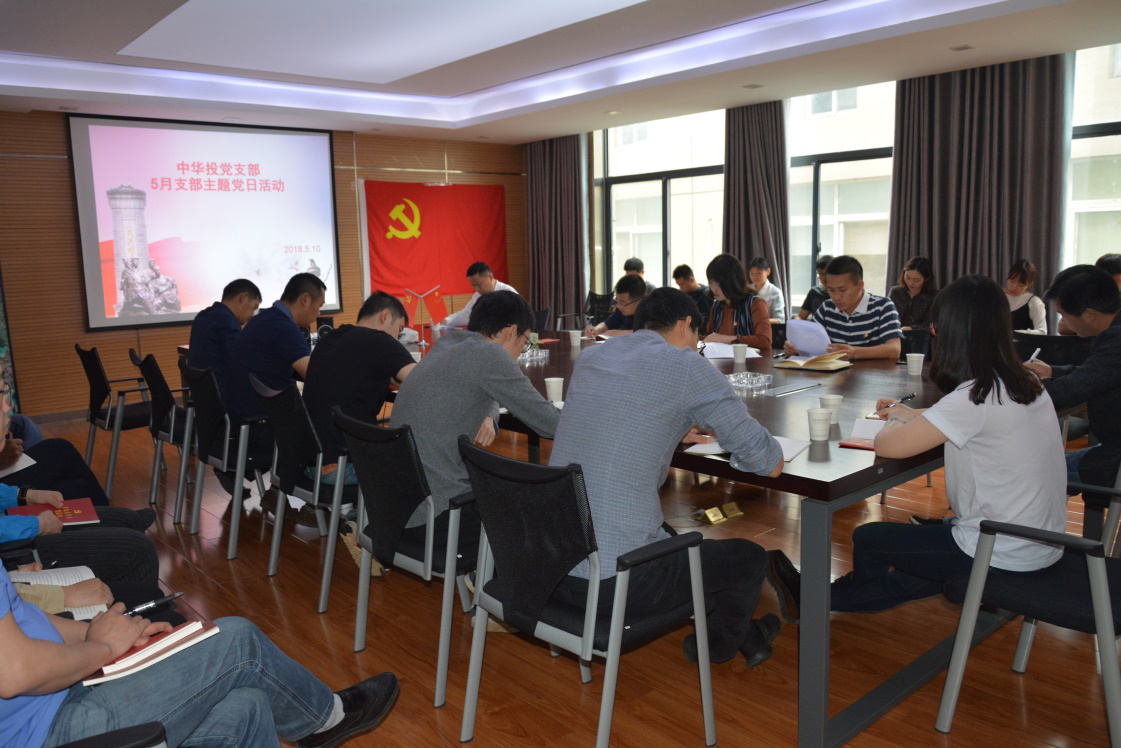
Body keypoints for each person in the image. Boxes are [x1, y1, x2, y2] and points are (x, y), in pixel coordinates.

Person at [768, 275, 1066, 617]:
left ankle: (818, 597)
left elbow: (886, 444)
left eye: (935, 329)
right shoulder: (1025, 382)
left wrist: (896, 416)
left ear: (952, 334)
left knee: (869, 538)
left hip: (995, 550)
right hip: (1042, 544)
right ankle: (817, 597)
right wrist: (913, 414)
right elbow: (969, 419)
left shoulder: (973, 397)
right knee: (909, 575)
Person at [550, 288, 784, 667]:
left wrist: (672, 426)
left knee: (676, 539)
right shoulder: (686, 365)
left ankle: (752, 638)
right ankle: (718, 648)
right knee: (749, 558)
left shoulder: (593, 356)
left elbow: (619, 418)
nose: (695, 348)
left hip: (553, 566)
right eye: (697, 340)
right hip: (613, 584)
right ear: (686, 324)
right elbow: (768, 461)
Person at [0, 568, 399, 747]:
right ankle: (323, 720)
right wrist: (103, 648)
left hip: (57, 705)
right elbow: (15, 673)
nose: (8, 421)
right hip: (51, 733)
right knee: (238, 640)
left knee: (249, 706)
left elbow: (24, 618)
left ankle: (318, 721)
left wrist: (101, 633)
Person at [390, 291, 559, 558]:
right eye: (525, 342)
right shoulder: (490, 356)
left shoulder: (447, 344)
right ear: (511, 331)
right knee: (539, 515)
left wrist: (490, 414)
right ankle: (494, 581)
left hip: (394, 510)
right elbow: (549, 424)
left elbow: (482, 387)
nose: (520, 352)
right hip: (435, 518)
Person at [222, 273, 325, 499]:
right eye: (319, 306)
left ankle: (279, 493)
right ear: (305, 299)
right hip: (260, 429)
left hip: (242, 421)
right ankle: (316, 499)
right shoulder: (283, 327)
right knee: (327, 428)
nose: (318, 314)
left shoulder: (264, 319)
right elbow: (316, 375)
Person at [303, 291, 417, 487]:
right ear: (385, 316)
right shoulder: (380, 341)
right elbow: (423, 380)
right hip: (344, 467)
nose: (396, 339)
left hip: (307, 463)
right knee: (418, 467)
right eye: (398, 331)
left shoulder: (329, 338)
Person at [1025, 265, 1121, 491]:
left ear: (1089, 314)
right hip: (1113, 446)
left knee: (1028, 471)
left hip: (1116, 458)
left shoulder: (1117, 339)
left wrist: (1010, 388)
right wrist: (1052, 371)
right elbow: (1098, 373)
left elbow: (1070, 391)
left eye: (1064, 315)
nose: (1064, 323)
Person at [784, 256, 902, 361]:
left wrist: (854, 352)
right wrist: (794, 346)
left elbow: (894, 349)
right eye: (831, 290)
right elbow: (809, 341)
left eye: (842, 290)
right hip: (833, 375)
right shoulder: (827, 308)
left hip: (874, 376)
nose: (836, 297)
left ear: (860, 286)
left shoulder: (882, 306)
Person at [188, 278, 262, 390]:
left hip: (202, 394)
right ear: (243, 297)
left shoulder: (203, 315)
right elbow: (245, 362)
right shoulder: (227, 322)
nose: (252, 314)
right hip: (224, 394)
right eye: (254, 307)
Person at [704, 254, 771, 349]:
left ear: (733, 282)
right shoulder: (716, 306)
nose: (713, 289)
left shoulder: (755, 303)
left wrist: (731, 339)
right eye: (711, 283)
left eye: (718, 284)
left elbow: (765, 341)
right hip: (720, 358)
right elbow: (709, 337)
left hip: (750, 358)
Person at [441, 262, 517, 329]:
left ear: (490, 277)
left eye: (479, 284)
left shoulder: (509, 293)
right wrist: (446, 321)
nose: (477, 289)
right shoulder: (478, 295)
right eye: (473, 286)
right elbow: (465, 314)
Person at [888, 256, 937, 330]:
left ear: (926, 278)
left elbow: (933, 325)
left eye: (916, 280)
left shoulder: (934, 296)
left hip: (919, 336)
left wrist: (911, 329)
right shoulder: (895, 291)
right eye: (908, 278)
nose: (910, 283)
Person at [1005, 259, 1046, 334]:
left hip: (1020, 341)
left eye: (1021, 285)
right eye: (1012, 281)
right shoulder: (997, 295)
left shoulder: (1034, 302)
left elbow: (1042, 331)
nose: (1014, 287)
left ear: (1030, 284)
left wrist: (1016, 333)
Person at [748, 257, 786, 323]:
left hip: (767, 327)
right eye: (752, 274)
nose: (755, 277)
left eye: (759, 273)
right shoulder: (747, 289)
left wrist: (759, 321)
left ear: (768, 271)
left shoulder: (775, 292)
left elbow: (780, 320)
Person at [797, 254, 833, 320]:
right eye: (821, 273)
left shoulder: (840, 295)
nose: (824, 277)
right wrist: (796, 320)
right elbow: (801, 316)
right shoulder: (814, 292)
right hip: (815, 326)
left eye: (827, 273)